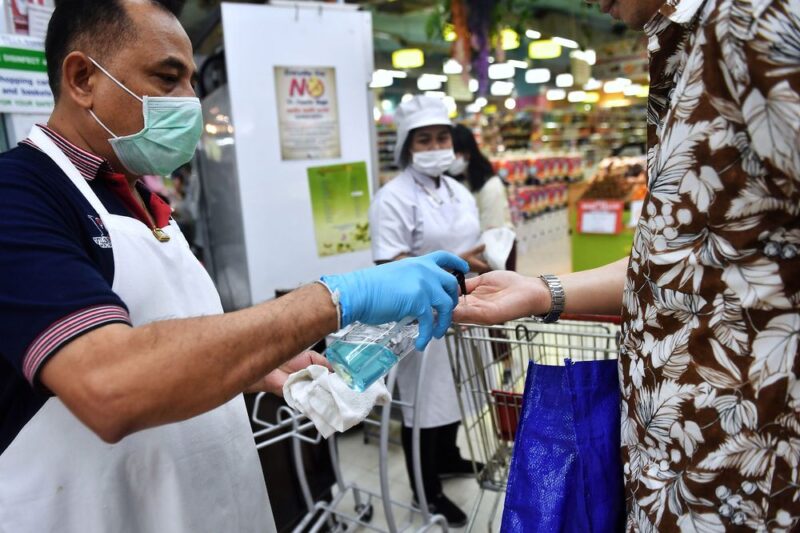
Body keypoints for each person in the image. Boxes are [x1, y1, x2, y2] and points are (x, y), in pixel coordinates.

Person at [0, 2, 469, 531]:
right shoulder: (20, 194)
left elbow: (163, 336)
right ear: (83, 77)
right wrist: (334, 297)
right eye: (167, 78)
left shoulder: (136, 197)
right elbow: (110, 383)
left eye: (191, 82)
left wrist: (257, 366)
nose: (189, 103)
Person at [455, 0, 800, 530]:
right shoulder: (687, 45)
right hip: (678, 460)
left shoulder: (752, 20)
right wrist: (541, 290)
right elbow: (680, 259)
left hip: (743, 468)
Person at [368, 95, 488, 528]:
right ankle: (426, 489)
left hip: (462, 305)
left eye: (442, 136)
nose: (436, 145)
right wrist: (458, 258)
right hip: (420, 314)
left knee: (459, 386)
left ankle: (450, 455)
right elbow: (390, 264)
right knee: (425, 401)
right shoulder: (393, 198)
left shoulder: (457, 189)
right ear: (407, 146)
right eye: (425, 139)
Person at [449, 123, 512, 233]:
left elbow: (491, 229)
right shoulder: (456, 181)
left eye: (453, 153)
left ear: (467, 153)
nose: (448, 159)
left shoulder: (490, 186)